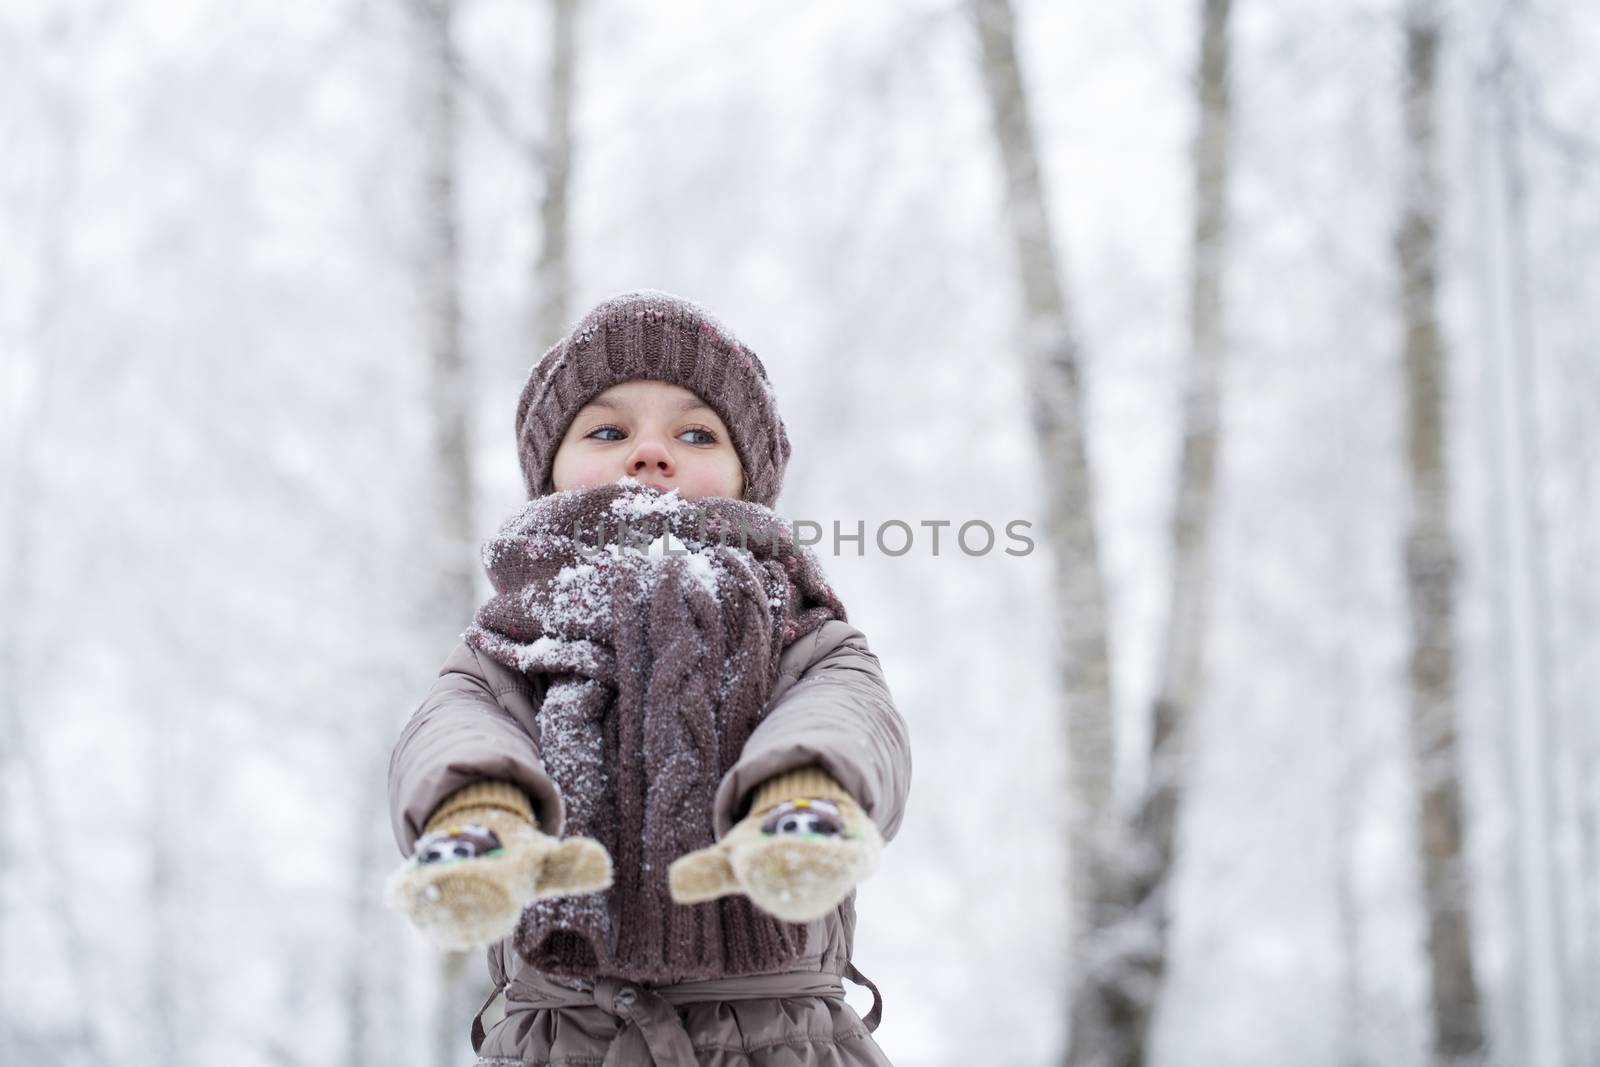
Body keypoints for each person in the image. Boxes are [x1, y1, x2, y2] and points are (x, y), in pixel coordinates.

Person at [385, 289, 913, 1066]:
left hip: (779, 1040)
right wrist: (480, 806)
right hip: (561, 1044)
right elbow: (456, 725)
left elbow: (848, 714)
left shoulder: (801, 627)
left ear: (746, 480)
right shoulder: (510, 640)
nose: (651, 451)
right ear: (550, 473)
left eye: (696, 432)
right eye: (608, 428)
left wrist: (804, 793)